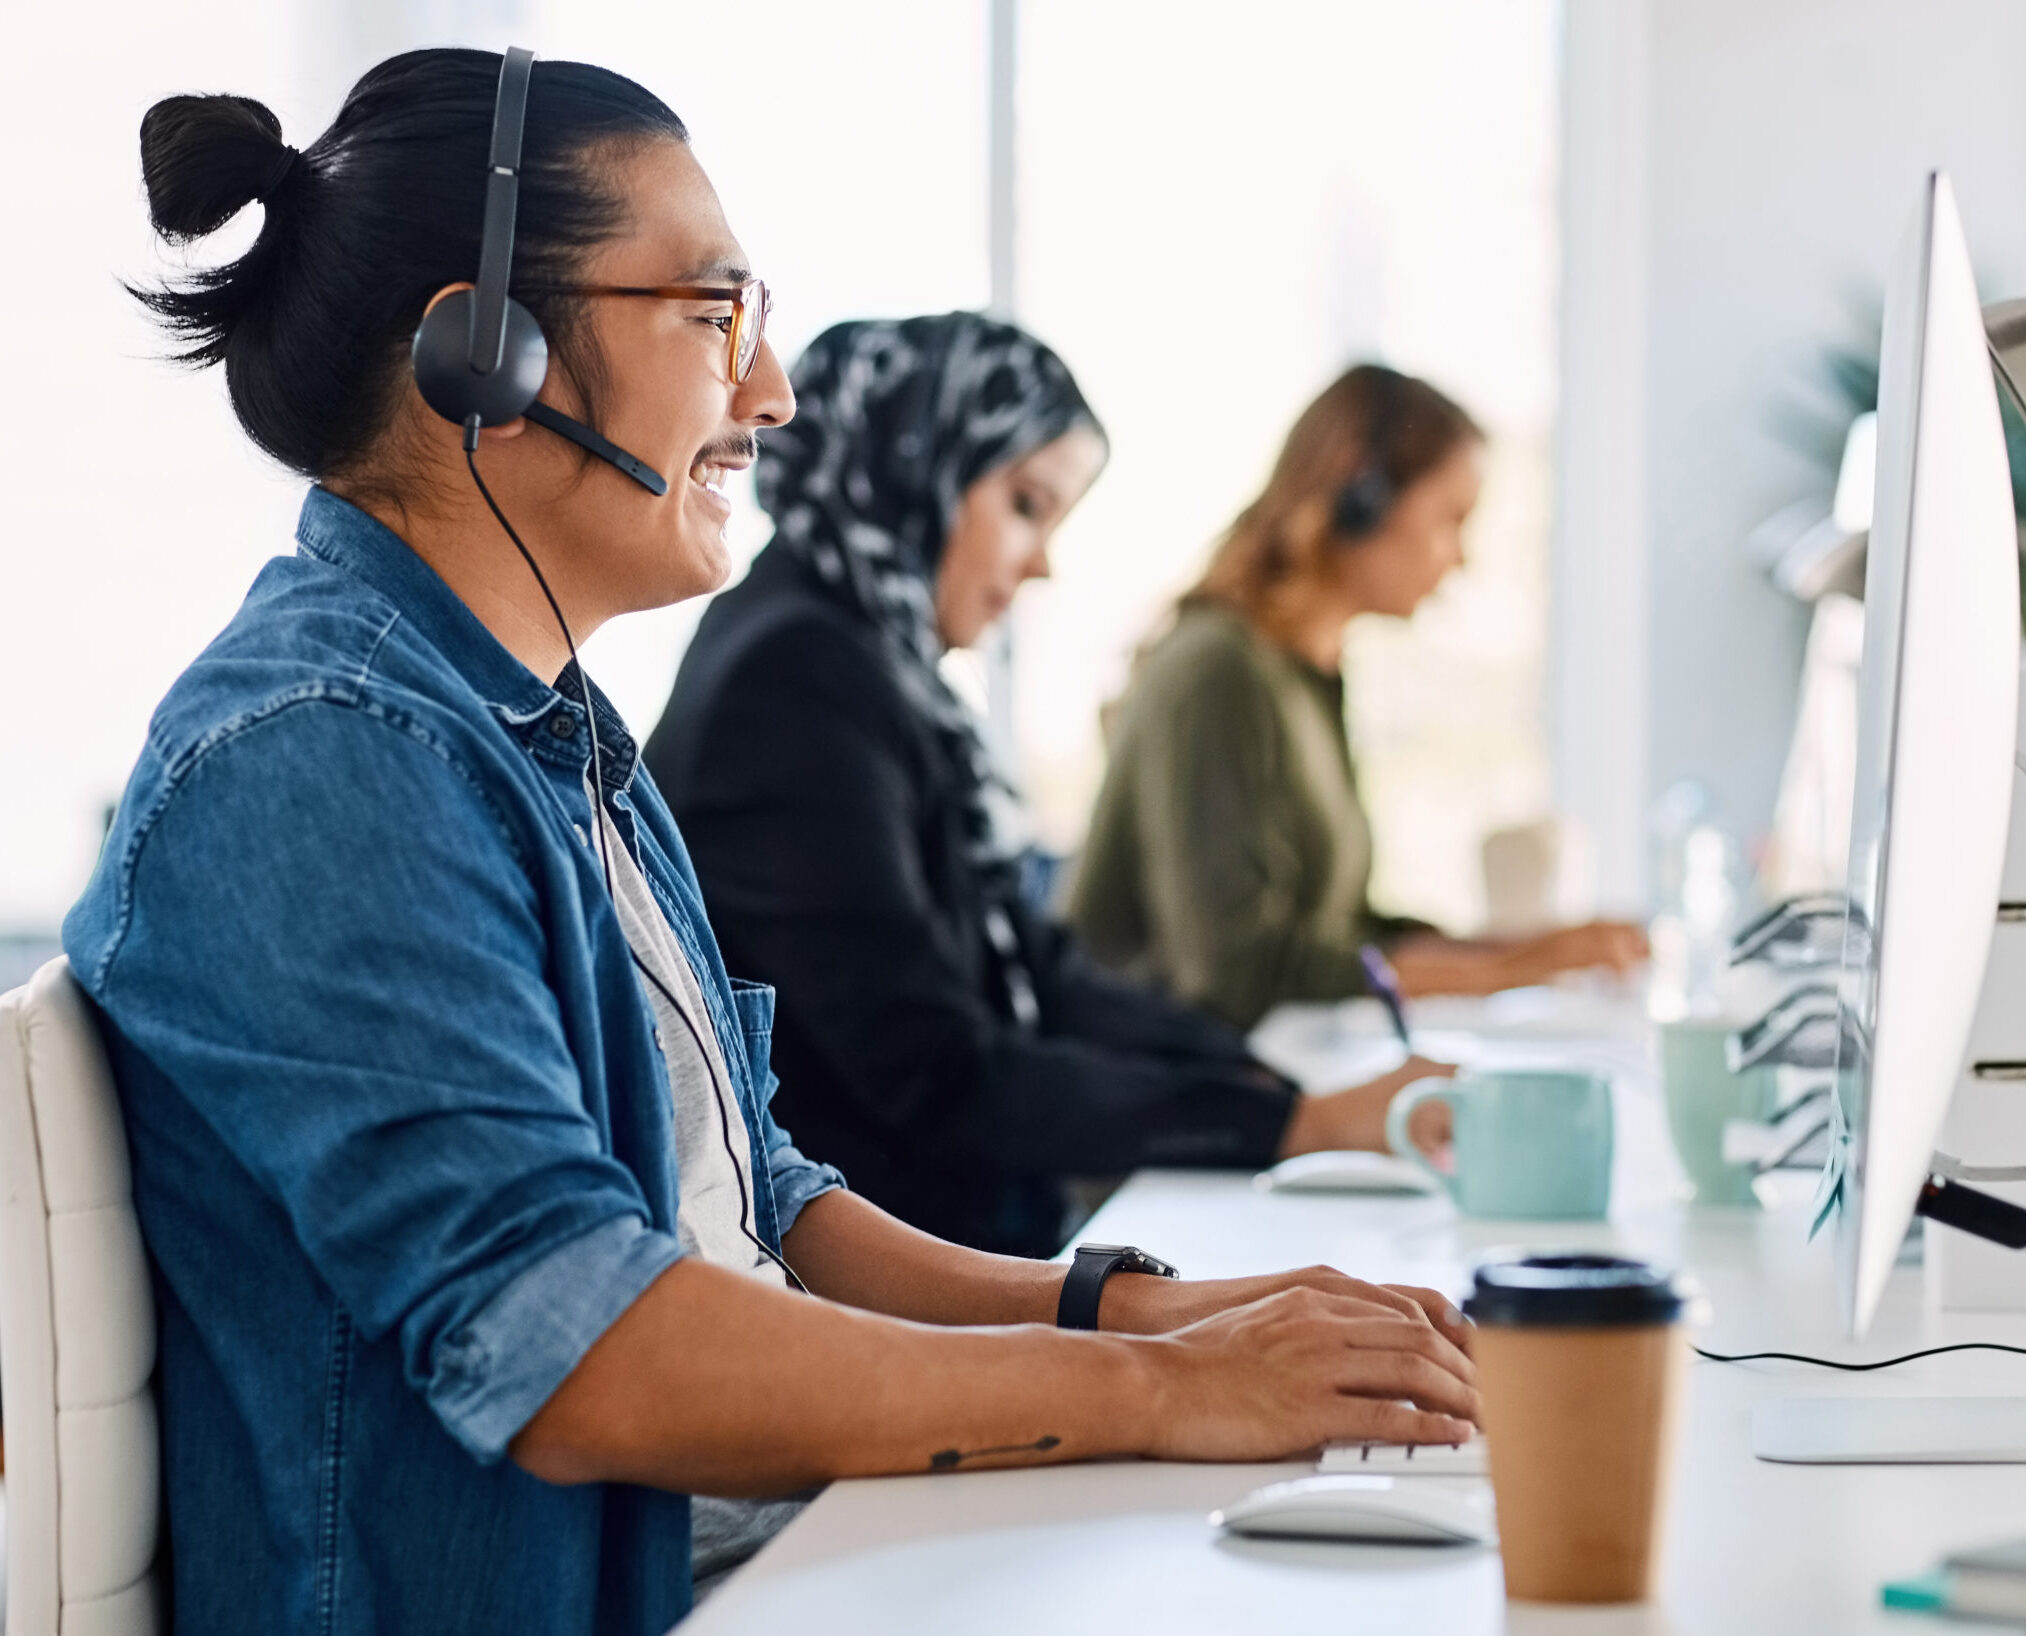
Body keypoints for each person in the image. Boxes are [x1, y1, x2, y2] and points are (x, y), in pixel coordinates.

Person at [70, 51, 1474, 1634]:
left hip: (775, 1560)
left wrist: (1168, 1316)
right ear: (487, 357)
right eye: (715, 313)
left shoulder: (546, 731)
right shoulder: (320, 760)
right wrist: (1154, 1389)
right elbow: (584, 1351)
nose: (771, 391)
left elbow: (761, 1201)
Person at [646, 314, 1448, 1259]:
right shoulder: (794, 682)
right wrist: (1290, 1125)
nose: (1042, 562)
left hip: (949, 1236)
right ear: (918, 470)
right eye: (1025, 505)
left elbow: (1041, 973)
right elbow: (939, 1075)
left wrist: (1269, 1088)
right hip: (876, 1290)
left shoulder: (871, 664)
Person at [1065, 364, 1649, 1031]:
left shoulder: (1304, 675)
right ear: (1359, 492)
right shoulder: (1217, 670)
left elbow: (1340, 930)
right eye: (1449, 519)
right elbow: (1235, 970)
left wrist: (1533, 950)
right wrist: (1503, 973)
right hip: (1152, 1087)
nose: (1460, 558)